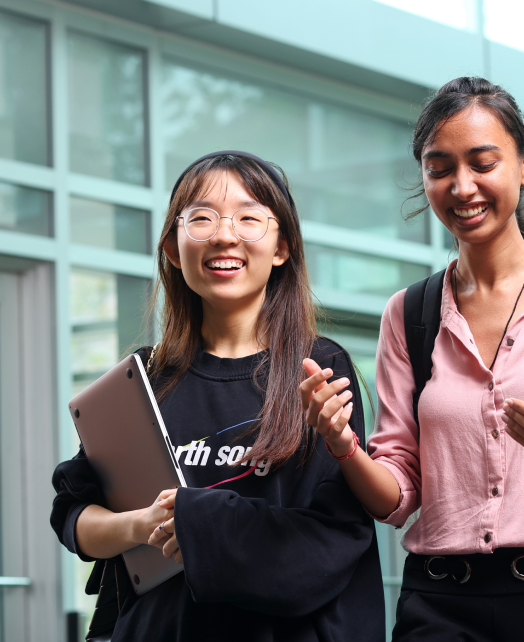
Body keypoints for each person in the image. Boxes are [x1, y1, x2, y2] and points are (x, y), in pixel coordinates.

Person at [300, 77, 524, 641]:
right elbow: (397, 496)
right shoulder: (407, 314)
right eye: (440, 169)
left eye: (483, 163)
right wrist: (343, 446)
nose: (463, 187)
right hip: (440, 603)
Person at [50, 151, 385, 642]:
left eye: (249, 218)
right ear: (172, 246)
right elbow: (75, 516)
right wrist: (146, 526)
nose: (225, 235)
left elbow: (329, 543)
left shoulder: (316, 368)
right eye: (202, 218)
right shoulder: (144, 378)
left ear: (282, 248)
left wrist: (196, 521)